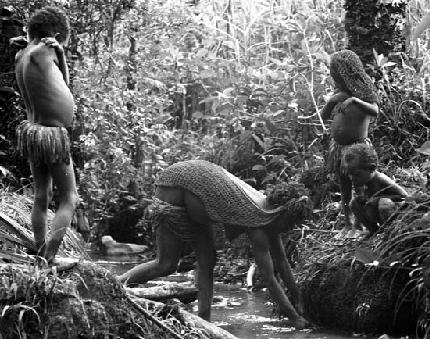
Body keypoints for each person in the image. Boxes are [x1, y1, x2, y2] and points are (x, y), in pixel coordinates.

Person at [118, 159, 310, 329]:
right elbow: (268, 278)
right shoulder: (259, 223)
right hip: (174, 188)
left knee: (208, 259)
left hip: (198, 202)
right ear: (281, 213)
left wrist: (299, 299)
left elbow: (282, 262)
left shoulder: (267, 216)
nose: (290, 228)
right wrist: (295, 318)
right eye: (291, 223)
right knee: (166, 264)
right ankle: (115, 286)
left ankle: (204, 320)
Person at [14, 7, 78, 263]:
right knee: (70, 197)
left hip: (34, 132)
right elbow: (66, 83)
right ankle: (50, 256)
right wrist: (58, 51)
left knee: (42, 195)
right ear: (57, 35)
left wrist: (60, 55)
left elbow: (61, 81)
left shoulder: (23, 54)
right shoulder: (46, 50)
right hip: (52, 136)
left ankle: (40, 250)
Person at [321, 49, 379, 237]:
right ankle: (348, 224)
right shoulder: (339, 93)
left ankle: (362, 224)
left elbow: (375, 111)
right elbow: (323, 116)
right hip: (339, 149)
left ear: (347, 74)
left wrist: (354, 100)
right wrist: (331, 102)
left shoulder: (364, 94)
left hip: (357, 149)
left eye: (337, 77)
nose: (335, 81)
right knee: (344, 188)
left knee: (360, 187)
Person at [342, 143, 408, 235]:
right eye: (349, 174)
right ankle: (374, 231)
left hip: (393, 216)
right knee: (353, 203)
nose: (352, 178)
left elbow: (404, 196)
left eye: (356, 174)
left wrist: (378, 199)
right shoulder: (361, 182)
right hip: (374, 213)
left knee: (384, 203)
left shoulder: (381, 179)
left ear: (371, 168)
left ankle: (390, 232)